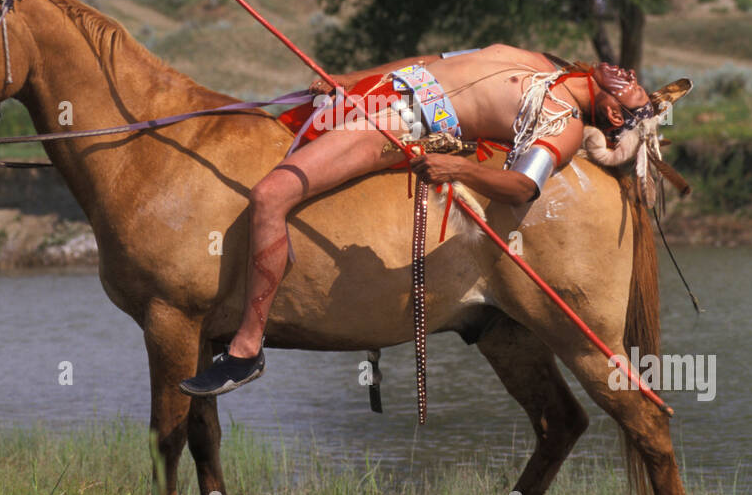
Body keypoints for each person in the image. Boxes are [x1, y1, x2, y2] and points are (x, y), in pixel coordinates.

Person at [179, 44, 652, 397]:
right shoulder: (542, 62)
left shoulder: (562, 124)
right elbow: (432, 62)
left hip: (402, 122)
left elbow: (523, 188)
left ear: (612, 110)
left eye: (631, 86)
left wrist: (459, 169)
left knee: (270, 194)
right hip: (384, 91)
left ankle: (246, 347)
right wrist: (351, 79)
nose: (628, 73)